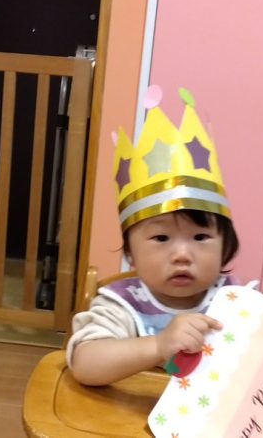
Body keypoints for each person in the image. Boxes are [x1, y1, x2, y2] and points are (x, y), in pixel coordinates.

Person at [68, 86, 249, 386]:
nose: (182, 254)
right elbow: (84, 365)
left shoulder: (239, 302)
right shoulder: (122, 304)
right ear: (130, 253)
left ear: (226, 246)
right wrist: (157, 346)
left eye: (200, 237)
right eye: (162, 239)